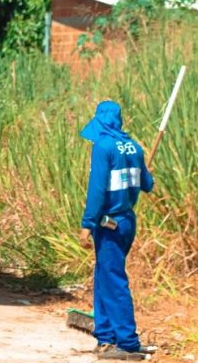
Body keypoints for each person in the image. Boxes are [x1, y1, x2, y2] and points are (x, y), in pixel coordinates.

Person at [78, 101, 155, 361]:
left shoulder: (103, 146)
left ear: (100, 120)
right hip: (127, 221)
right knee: (104, 275)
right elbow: (147, 184)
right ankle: (106, 337)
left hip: (108, 222)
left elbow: (97, 190)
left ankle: (127, 342)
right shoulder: (134, 146)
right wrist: (146, 171)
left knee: (113, 280)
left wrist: (87, 224)